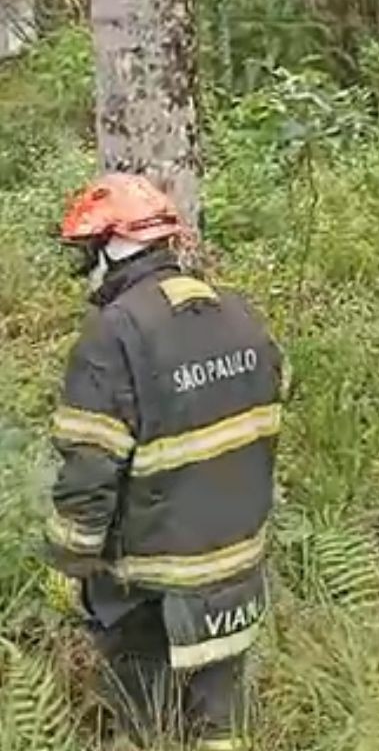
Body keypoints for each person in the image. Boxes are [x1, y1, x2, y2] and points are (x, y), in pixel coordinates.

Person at [42, 173, 286, 751]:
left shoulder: (115, 333)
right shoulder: (236, 312)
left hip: (151, 583)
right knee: (222, 723)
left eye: (87, 255)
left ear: (109, 249)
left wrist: (70, 563)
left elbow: (89, 468)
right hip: (238, 565)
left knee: (145, 723)